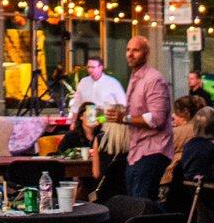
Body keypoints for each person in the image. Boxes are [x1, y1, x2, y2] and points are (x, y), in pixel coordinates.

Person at [113, 34, 173, 200]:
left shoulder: (153, 79)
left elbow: (157, 118)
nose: (130, 54)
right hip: (136, 151)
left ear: (146, 54)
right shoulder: (135, 78)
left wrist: (125, 118)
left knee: (142, 205)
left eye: (136, 50)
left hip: (153, 151)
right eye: (128, 50)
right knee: (134, 203)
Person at [68, 56, 126, 121]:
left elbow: (123, 105)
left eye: (93, 67)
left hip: (107, 123)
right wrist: (74, 122)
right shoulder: (83, 82)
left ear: (101, 67)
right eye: (88, 67)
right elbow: (77, 104)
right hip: (89, 122)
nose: (90, 70)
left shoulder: (113, 83)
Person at [163, 94, 202, 187]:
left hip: (172, 177)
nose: (173, 116)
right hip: (194, 177)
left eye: (176, 113)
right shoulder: (202, 128)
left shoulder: (176, 132)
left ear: (185, 112)